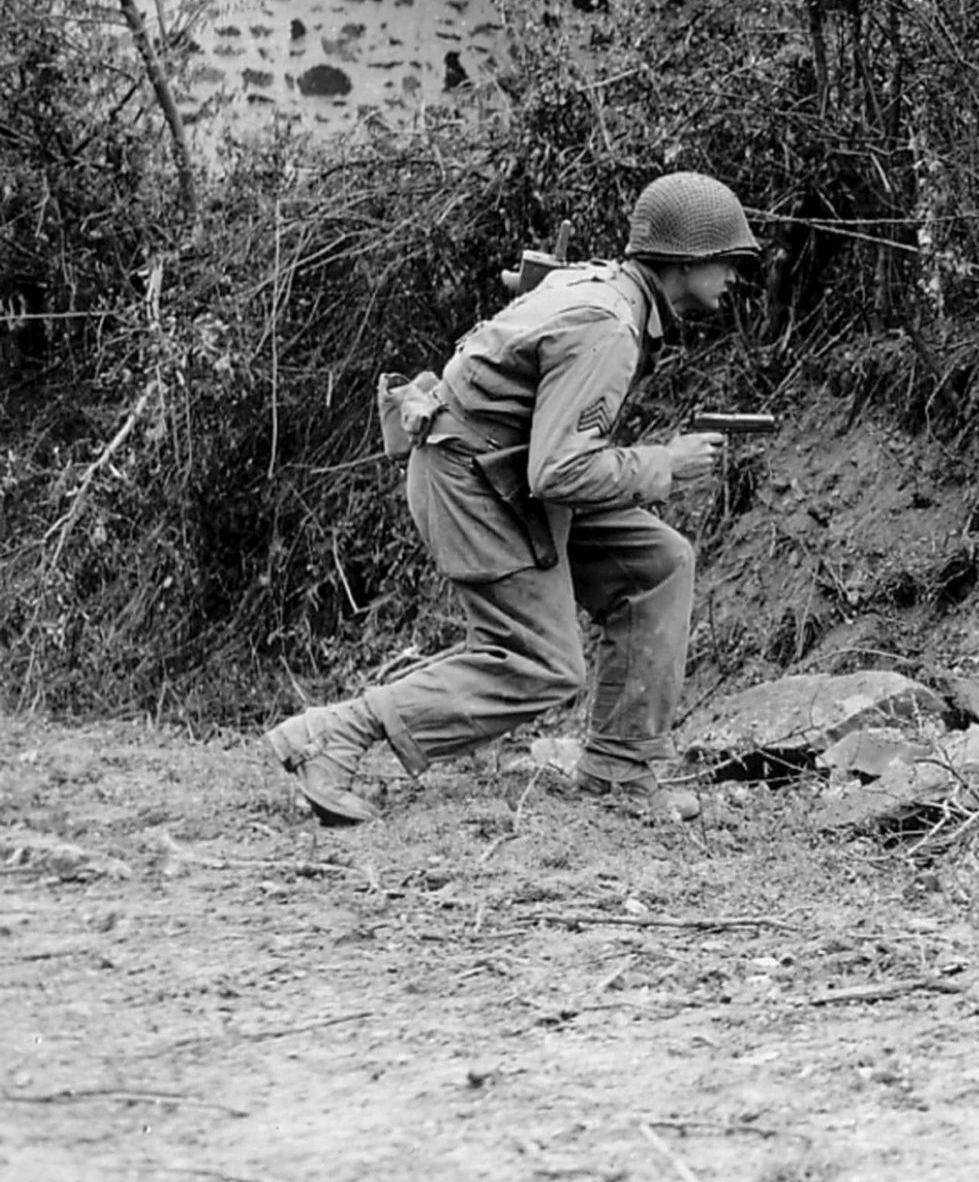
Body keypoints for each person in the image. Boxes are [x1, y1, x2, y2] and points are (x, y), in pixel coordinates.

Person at [264, 171, 761, 826]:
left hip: (504, 468)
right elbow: (559, 471)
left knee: (657, 564)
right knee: (541, 665)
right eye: (726, 259)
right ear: (686, 259)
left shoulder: (597, 285)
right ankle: (335, 734)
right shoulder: (611, 326)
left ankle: (623, 771)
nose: (732, 275)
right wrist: (663, 463)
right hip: (476, 483)